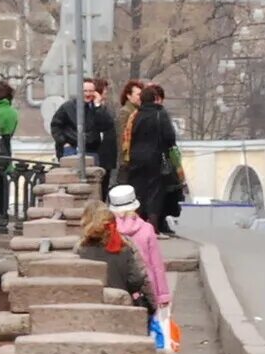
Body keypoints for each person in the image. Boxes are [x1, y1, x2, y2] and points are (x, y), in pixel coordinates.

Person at [102, 183, 172, 315]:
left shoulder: (107, 231)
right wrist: (163, 295)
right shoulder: (147, 229)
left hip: (117, 286)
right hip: (145, 289)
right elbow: (156, 265)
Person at [77, 198, 153, 312]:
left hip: (88, 306)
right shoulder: (124, 247)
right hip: (121, 305)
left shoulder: (80, 249)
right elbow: (136, 279)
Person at [125, 83, 181, 232]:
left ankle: (137, 226)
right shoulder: (160, 113)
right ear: (155, 98)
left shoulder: (135, 115)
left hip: (136, 157)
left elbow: (130, 136)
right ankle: (153, 228)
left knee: (138, 191)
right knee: (155, 193)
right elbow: (170, 137)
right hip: (155, 157)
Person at [49, 76, 117, 176]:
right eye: (85, 91)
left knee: (91, 180)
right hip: (71, 149)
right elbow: (56, 126)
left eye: (91, 91)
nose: (88, 94)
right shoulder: (68, 107)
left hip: (92, 150)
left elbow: (107, 125)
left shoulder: (97, 108)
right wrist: (63, 142)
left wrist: (98, 106)